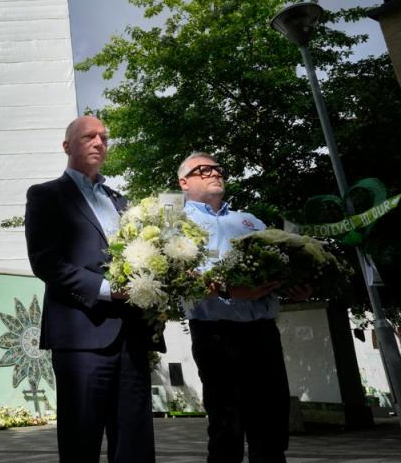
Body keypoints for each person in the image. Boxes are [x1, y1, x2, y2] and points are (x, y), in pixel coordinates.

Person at [26, 115, 160, 463]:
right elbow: (45, 262)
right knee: (80, 442)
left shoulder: (124, 202)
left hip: (131, 336)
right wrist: (105, 288)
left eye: (104, 137)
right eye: (89, 136)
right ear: (67, 146)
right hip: (81, 335)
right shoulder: (46, 195)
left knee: (135, 443)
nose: (99, 142)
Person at [179, 151, 308, 463]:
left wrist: (295, 287)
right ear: (184, 182)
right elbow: (175, 278)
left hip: (262, 333)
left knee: (272, 429)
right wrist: (227, 289)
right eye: (203, 170)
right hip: (215, 335)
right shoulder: (176, 222)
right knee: (227, 430)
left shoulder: (250, 221)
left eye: (218, 169)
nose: (214, 173)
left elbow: (276, 269)